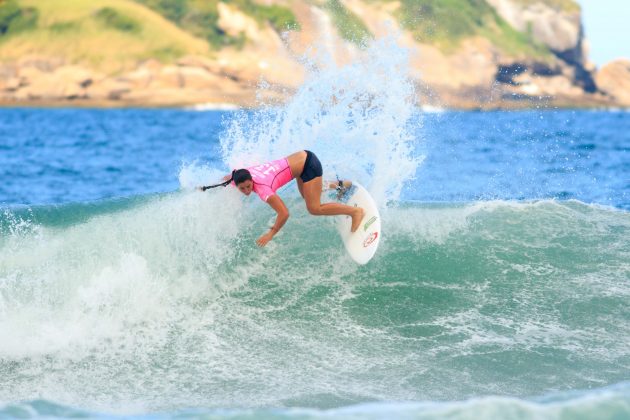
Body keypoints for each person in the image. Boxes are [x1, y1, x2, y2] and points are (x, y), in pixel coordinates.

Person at [198, 150, 364, 247]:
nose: (247, 191)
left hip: (308, 165)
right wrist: (208, 189)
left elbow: (284, 213)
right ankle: (342, 185)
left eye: (248, 186)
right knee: (308, 194)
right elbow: (227, 178)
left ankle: (355, 212)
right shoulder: (238, 175)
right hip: (302, 158)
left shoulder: (263, 189)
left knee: (314, 208)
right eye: (242, 189)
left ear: (251, 181)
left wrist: (271, 234)